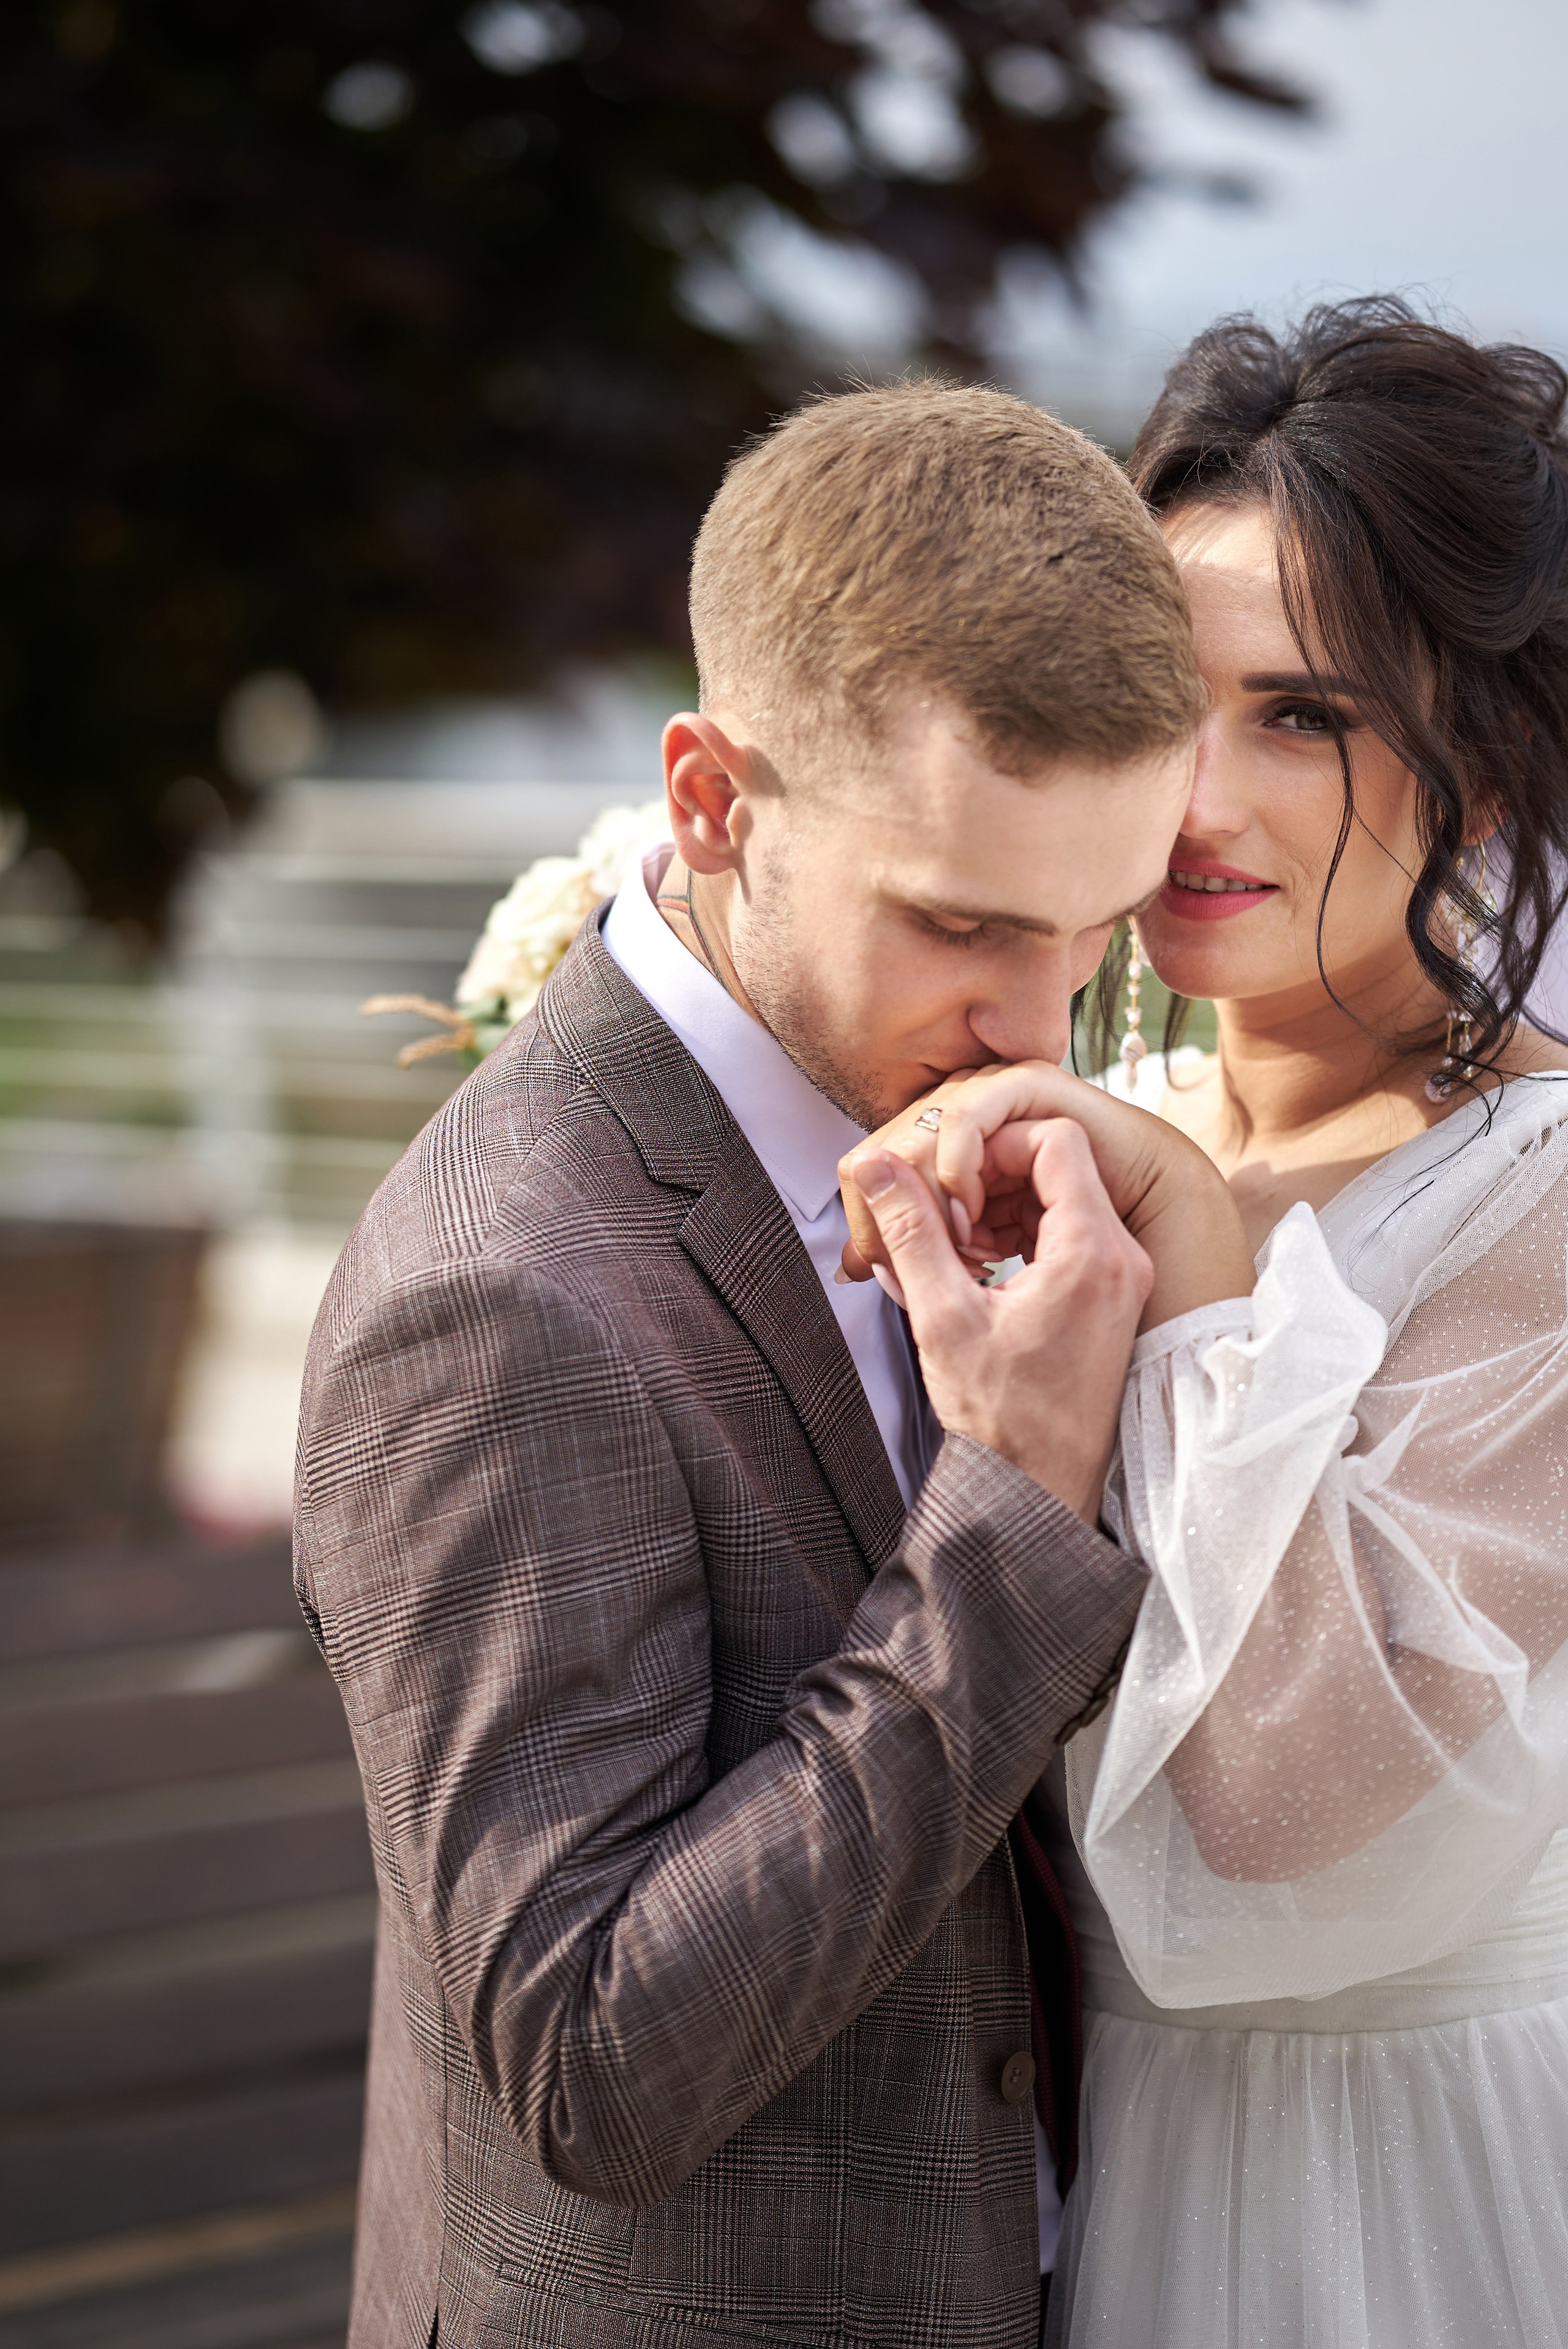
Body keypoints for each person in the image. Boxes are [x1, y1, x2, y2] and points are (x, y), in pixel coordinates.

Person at [292, 381, 1249, 2349]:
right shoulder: (500, 1294)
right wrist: (1005, 1507)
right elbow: (589, 2066)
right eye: (963, 922)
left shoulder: (970, 1137)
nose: (1035, 1018)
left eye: (1095, 934)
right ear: (713, 801)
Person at [841, 298, 1568, 2348]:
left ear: (1495, 770)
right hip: (1101, 2171)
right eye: (1173, 698)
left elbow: (1278, 1814)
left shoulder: (1543, 1197)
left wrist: (1203, 1263)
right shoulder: (1088, 1125)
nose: (1196, 799)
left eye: (1307, 715)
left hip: (1418, 2196)